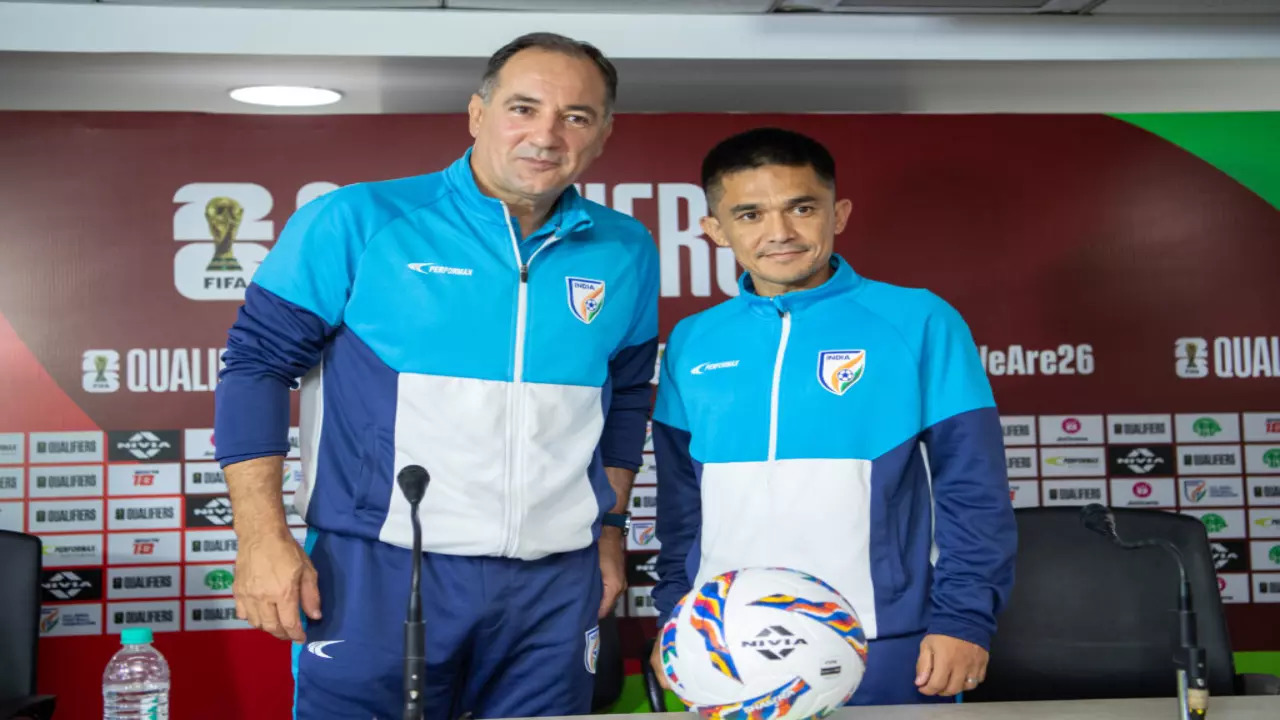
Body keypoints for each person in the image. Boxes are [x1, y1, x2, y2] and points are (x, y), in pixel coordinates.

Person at [214, 32, 659, 719]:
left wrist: (608, 531)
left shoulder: (625, 247)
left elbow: (626, 396)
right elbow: (255, 367)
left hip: (555, 579)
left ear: (603, 134)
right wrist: (261, 538)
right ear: (477, 114)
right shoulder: (357, 220)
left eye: (576, 115)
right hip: (380, 567)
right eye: (523, 107)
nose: (546, 134)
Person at [648, 127, 1016, 706]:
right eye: (749, 214)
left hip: (886, 640)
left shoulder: (919, 319)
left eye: (801, 207)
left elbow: (973, 489)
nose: (780, 233)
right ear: (715, 230)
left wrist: (964, 620)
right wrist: (677, 614)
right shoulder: (694, 341)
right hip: (726, 641)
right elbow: (679, 505)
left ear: (837, 213)